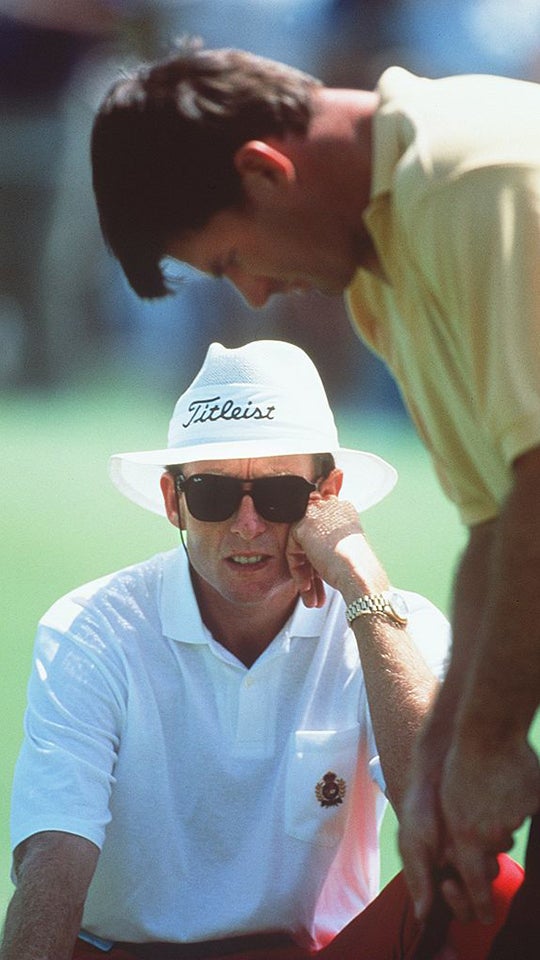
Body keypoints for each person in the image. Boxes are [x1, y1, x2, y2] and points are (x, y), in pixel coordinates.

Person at [90, 44, 540, 957]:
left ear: (266, 168)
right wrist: (441, 774)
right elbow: (495, 525)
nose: (253, 294)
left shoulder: (474, 181)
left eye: (231, 259)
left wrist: (485, 744)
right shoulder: (382, 268)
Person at [1, 340, 522, 960]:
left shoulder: (393, 628)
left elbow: (444, 825)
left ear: (328, 498)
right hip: (125, 951)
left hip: (313, 952)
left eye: (279, 497)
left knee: (493, 890)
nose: (247, 524)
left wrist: (362, 586)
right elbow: (53, 865)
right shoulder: (90, 630)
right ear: (174, 501)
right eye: (215, 495)